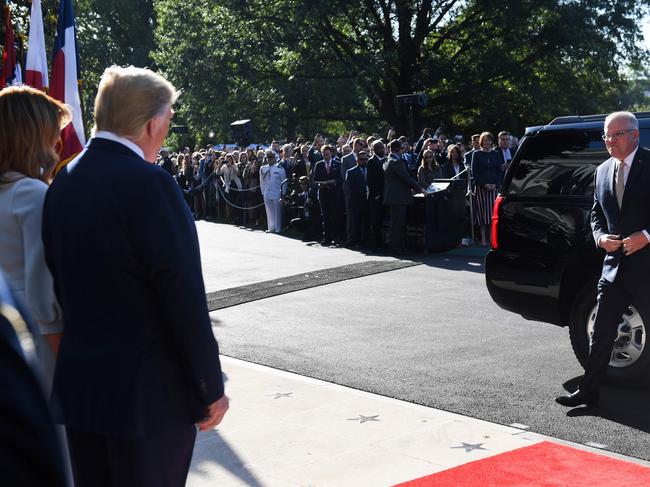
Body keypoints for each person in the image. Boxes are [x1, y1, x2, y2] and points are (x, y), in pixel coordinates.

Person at [42, 66, 229, 487]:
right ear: (152, 123)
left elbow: (60, 286)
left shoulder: (62, 184)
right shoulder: (150, 185)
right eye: (169, 119)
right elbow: (181, 296)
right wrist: (208, 386)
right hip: (147, 400)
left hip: (84, 391)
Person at [556, 111, 650, 408]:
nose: (610, 141)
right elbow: (596, 214)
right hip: (613, 269)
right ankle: (588, 392)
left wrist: (646, 235)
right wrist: (600, 238)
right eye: (606, 136)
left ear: (635, 135)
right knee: (601, 332)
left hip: (647, 267)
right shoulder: (602, 171)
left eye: (616, 135)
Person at [0, 85, 71, 362]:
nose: (56, 143)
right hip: (34, 343)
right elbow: (43, 294)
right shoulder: (31, 193)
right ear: (31, 136)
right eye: (52, 133)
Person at [383, 139, 425, 254]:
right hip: (398, 198)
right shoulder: (396, 162)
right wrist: (420, 189)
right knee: (398, 224)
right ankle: (395, 247)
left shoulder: (387, 160)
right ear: (398, 149)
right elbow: (406, 178)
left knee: (396, 223)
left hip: (394, 197)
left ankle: (397, 246)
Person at [470, 132, 501, 246]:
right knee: (482, 215)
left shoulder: (496, 154)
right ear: (481, 142)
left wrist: (496, 184)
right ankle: (483, 239)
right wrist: (484, 184)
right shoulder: (476, 154)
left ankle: (492, 239)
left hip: (494, 189)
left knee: (493, 215)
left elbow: (499, 171)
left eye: (489, 140)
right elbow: (475, 172)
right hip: (481, 189)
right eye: (485, 140)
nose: (487, 142)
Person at [312, 144, 344, 245]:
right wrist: (321, 184)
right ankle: (327, 237)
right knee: (325, 216)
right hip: (323, 194)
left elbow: (341, 179)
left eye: (327, 154)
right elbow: (314, 180)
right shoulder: (319, 164)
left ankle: (336, 237)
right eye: (324, 154)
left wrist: (333, 182)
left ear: (331, 153)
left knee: (335, 215)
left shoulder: (338, 164)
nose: (326, 156)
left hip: (334, 193)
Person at [345, 149, 371, 247]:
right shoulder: (351, 172)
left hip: (368, 201)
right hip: (357, 201)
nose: (363, 161)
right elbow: (350, 187)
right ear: (357, 160)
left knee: (367, 222)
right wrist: (364, 191)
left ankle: (366, 241)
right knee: (356, 222)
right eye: (361, 159)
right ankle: (356, 240)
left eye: (365, 160)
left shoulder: (370, 170)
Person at [260, 149, 287, 233]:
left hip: (277, 192)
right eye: (268, 158)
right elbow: (261, 182)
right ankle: (271, 227)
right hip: (267, 192)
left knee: (277, 211)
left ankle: (278, 228)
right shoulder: (263, 169)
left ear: (275, 158)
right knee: (269, 210)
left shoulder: (280, 168)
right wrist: (263, 192)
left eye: (271, 158)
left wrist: (283, 194)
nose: (270, 159)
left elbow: (284, 182)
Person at [367, 140, 387, 251]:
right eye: (379, 148)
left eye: (382, 148)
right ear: (374, 150)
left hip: (386, 195)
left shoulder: (386, 160)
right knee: (375, 222)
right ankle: (375, 244)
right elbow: (370, 182)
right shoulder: (371, 161)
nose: (381, 150)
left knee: (383, 220)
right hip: (376, 197)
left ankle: (383, 242)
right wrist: (377, 195)